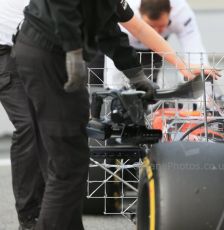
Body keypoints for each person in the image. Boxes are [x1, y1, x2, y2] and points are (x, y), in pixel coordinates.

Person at [13, 0, 195, 229]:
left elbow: (109, 28)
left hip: (54, 53)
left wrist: (135, 73)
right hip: (48, 54)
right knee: (66, 161)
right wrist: (73, 51)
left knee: (74, 158)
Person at [0, 0, 46, 229]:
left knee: (46, 128)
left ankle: (46, 212)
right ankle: (28, 218)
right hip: (5, 57)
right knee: (28, 126)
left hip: (38, 53)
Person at [104, 0, 211, 88]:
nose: (155, 31)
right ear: (139, 13)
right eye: (151, 26)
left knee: (149, 89)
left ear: (171, 11)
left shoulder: (181, 12)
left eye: (161, 26)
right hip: (113, 43)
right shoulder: (127, 7)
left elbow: (194, 49)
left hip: (155, 47)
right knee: (102, 83)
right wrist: (113, 90)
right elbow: (114, 47)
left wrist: (188, 69)